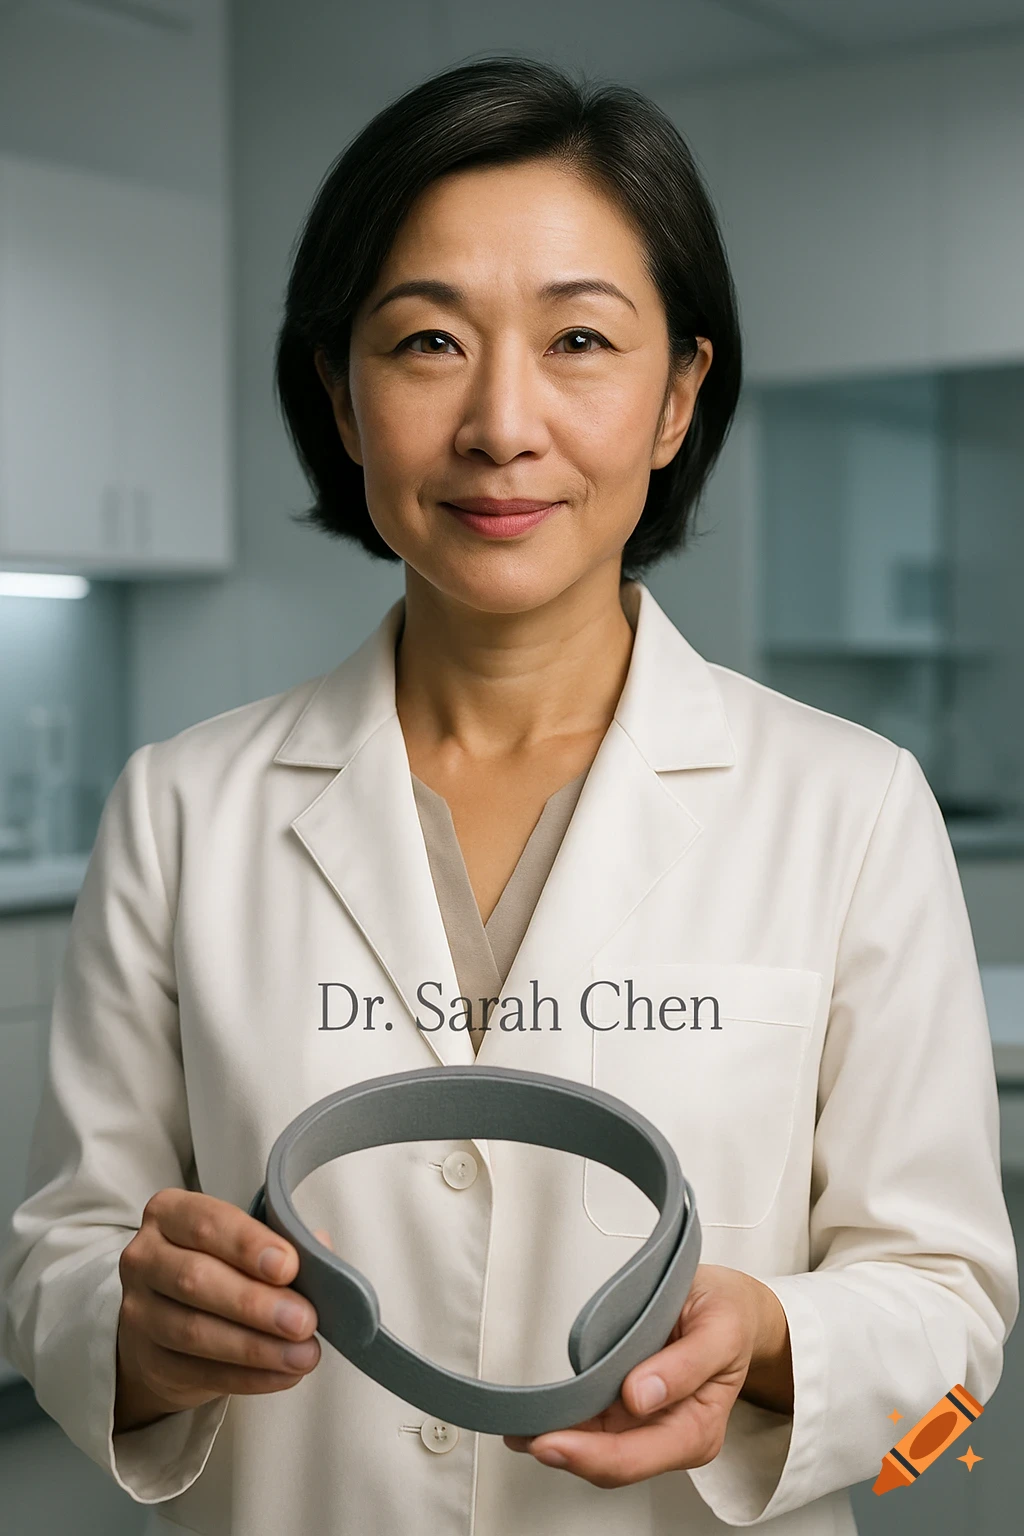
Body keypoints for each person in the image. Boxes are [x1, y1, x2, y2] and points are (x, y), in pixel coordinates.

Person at [1, 54, 1017, 1536]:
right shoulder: (182, 811)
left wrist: (779, 1340)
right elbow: (60, 1267)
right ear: (339, 398)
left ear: (679, 395)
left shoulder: (850, 808)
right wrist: (137, 1335)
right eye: (424, 342)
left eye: (580, 341)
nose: (500, 423)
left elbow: (952, 1321)